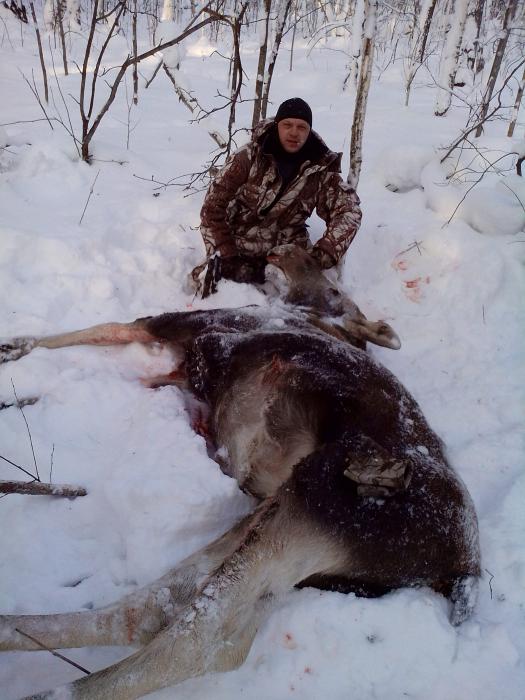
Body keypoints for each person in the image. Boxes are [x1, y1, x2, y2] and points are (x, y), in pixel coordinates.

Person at [191, 97, 362, 296]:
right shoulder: (247, 157)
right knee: (210, 287)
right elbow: (212, 208)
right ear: (277, 126)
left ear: (309, 131)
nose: (294, 132)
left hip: (286, 252)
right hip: (238, 245)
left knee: (313, 301)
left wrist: (319, 257)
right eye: (287, 125)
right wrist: (227, 255)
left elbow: (349, 211)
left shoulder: (320, 169)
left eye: (301, 127)